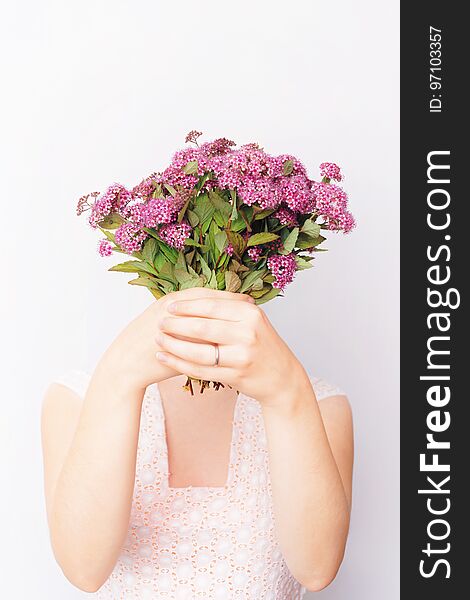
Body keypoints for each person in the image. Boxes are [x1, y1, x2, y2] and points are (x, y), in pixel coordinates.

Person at [41, 286, 354, 599]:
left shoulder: (316, 403)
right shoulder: (79, 399)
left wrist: (287, 392)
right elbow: (84, 571)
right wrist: (117, 377)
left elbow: (317, 571)